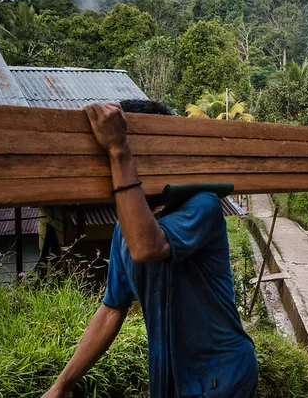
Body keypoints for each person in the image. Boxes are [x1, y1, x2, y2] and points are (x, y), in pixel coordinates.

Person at [43, 100, 258, 398]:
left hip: (222, 373)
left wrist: (118, 147)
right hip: (171, 376)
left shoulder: (202, 204)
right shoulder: (125, 230)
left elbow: (148, 247)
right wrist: (62, 385)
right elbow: (111, 309)